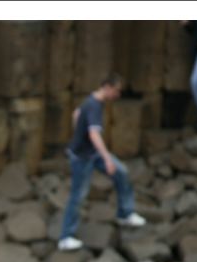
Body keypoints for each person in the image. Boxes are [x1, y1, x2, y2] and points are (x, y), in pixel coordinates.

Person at [55, 72, 146, 252]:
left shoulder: (91, 101)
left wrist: (78, 133)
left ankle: (125, 214)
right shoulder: (94, 105)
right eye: (117, 91)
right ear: (107, 87)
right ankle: (66, 237)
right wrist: (106, 159)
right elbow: (94, 134)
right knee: (78, 195)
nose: (118, 96)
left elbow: (76, 114)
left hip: (91, 152)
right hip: (82, 158)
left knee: (122, 172)